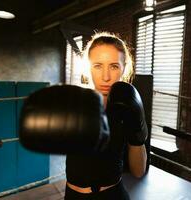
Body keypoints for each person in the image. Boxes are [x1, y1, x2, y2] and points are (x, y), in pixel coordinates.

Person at [64, 32, 148, 200]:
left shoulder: (127, 107)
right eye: (98, 65)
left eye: (114, 66)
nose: (106, 76)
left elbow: (138, 171)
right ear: (88, 67)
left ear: (124, 68)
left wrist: (138, 130)